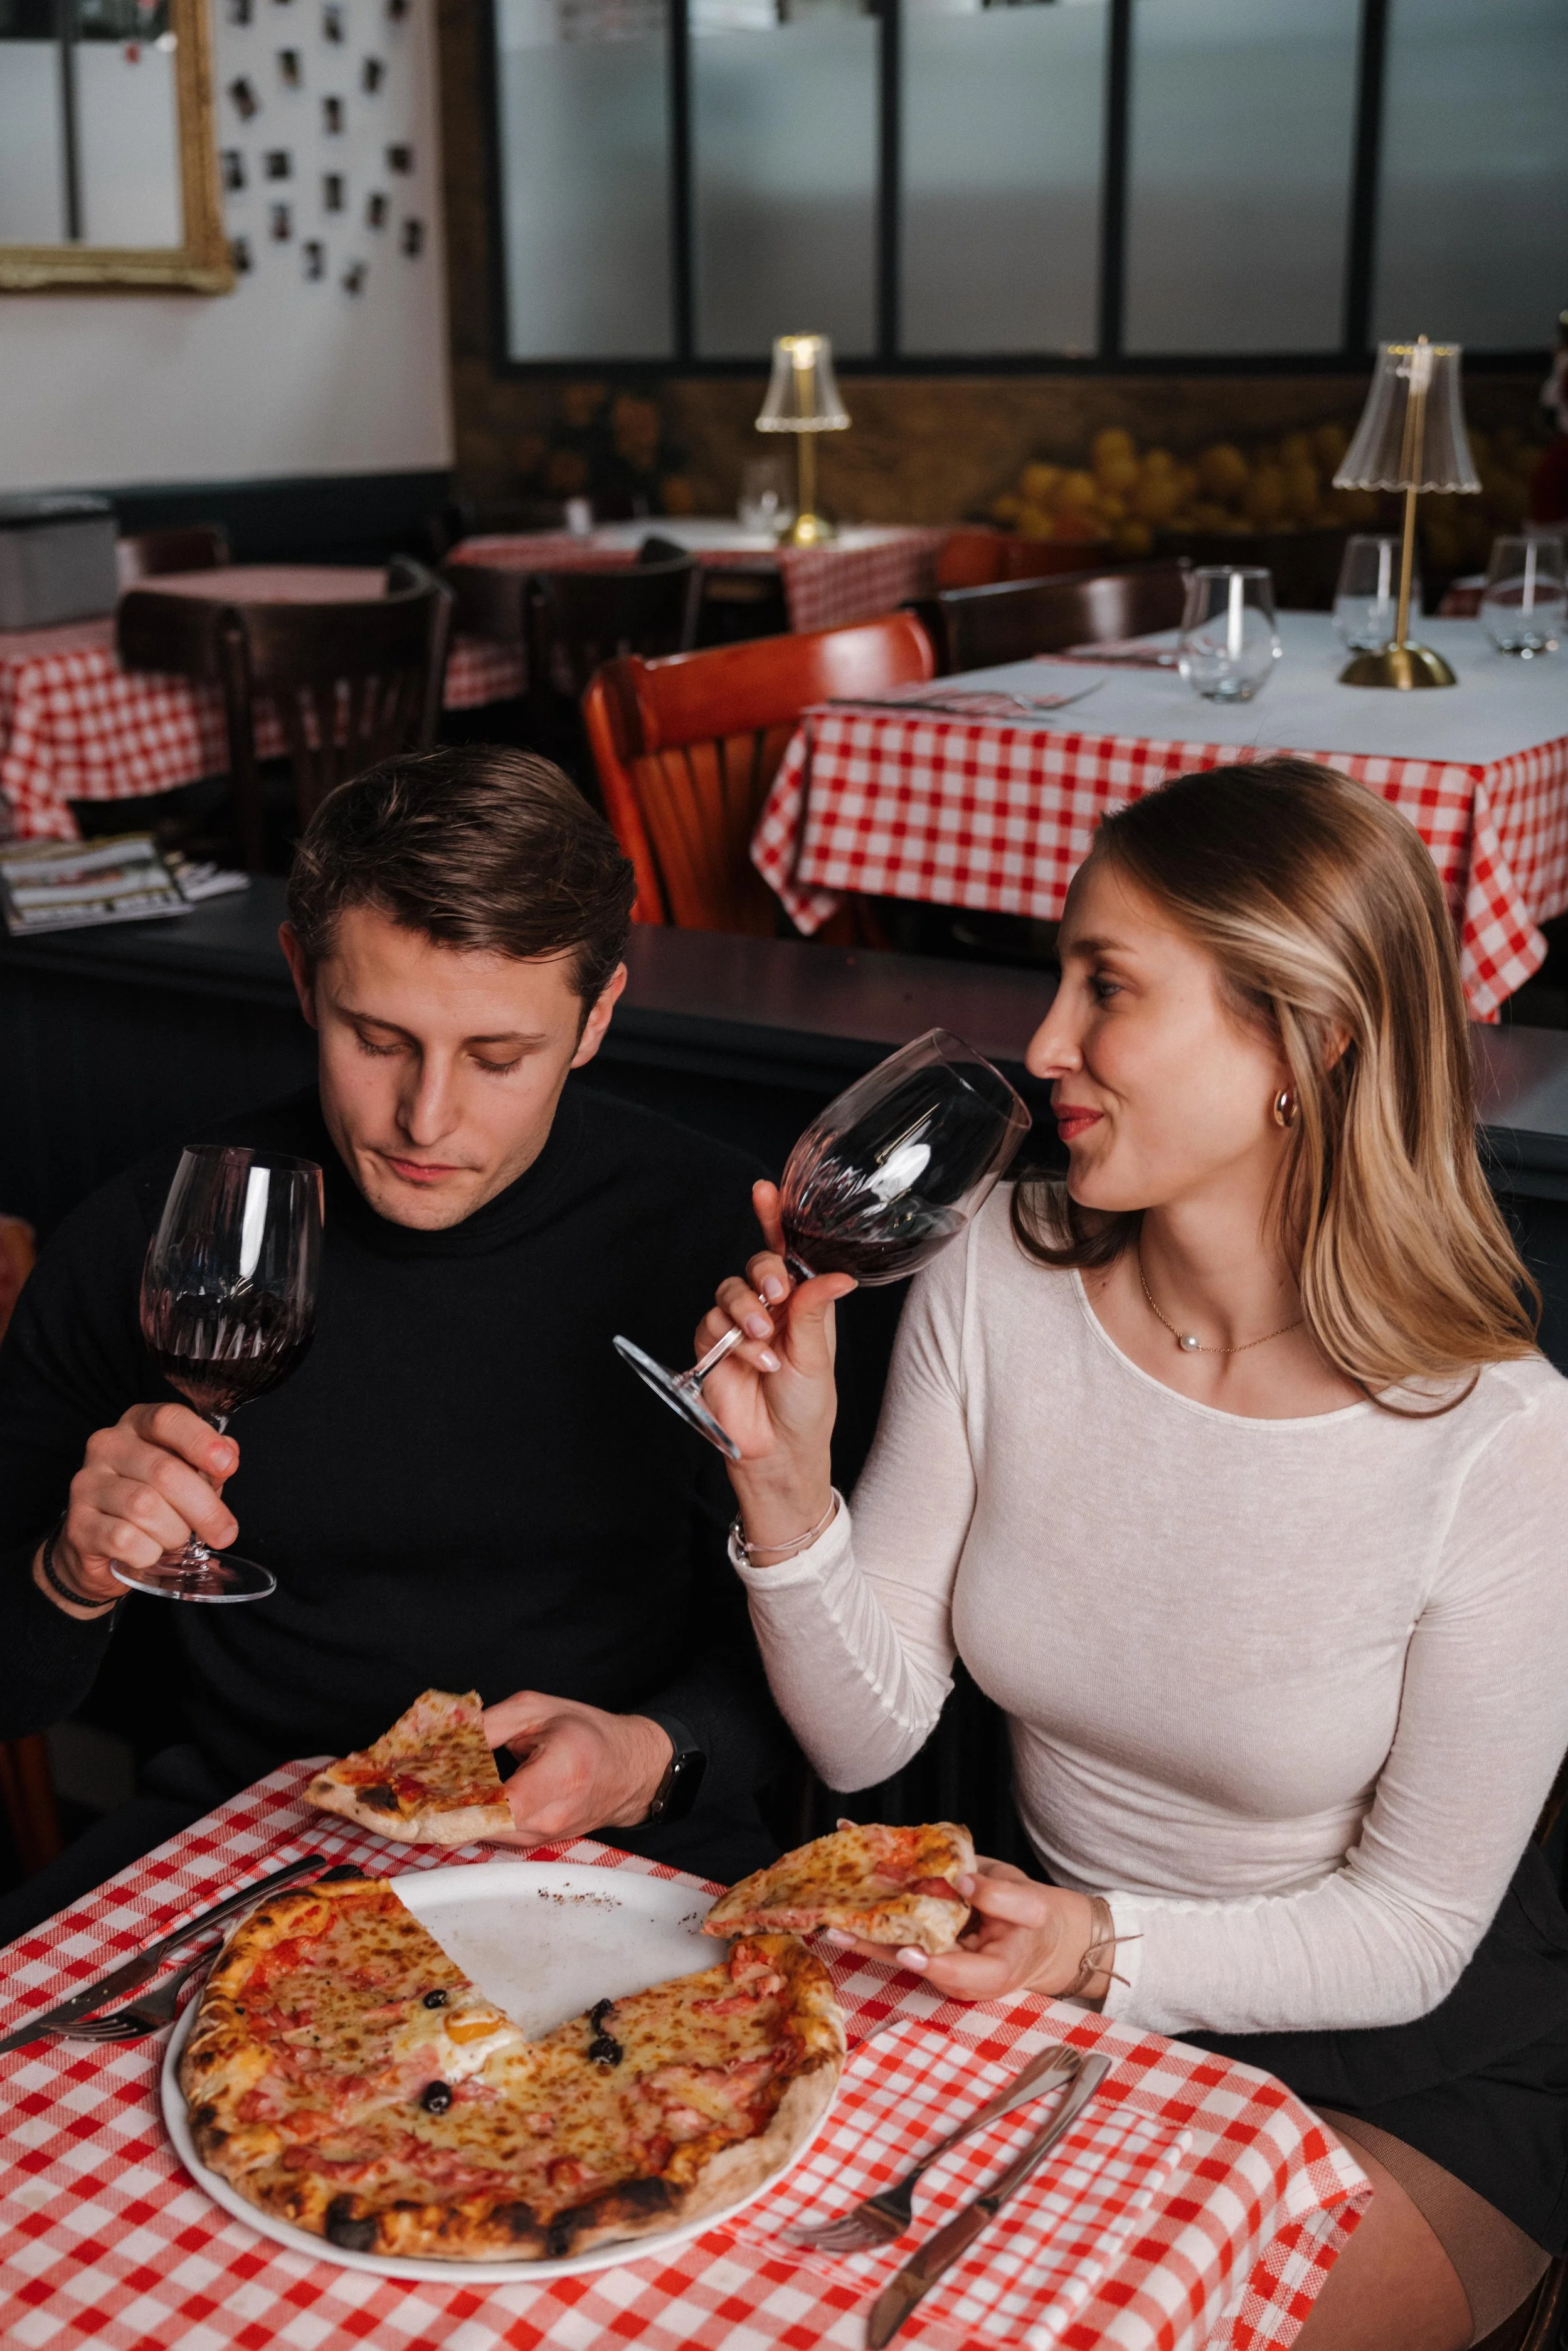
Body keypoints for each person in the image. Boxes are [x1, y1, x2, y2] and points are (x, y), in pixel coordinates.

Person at [697, 759, 1568, 2351]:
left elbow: (1414, 1929)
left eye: (1106, 986)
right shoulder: (992, 1272)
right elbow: (866, 1728)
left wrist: (1103, 1946)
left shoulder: (1502, 1439)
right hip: (1028, 1984)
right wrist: (782, 1482)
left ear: (1304, 1036)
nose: (1041, 1045)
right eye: (1057, 976)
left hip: (1387, 2055)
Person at [0, 746, 788, 1939]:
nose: (426, 1120)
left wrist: (652, 1757)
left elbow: (833, 1690)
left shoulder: (716, 1249)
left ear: (597, 1018)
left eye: (498, 1058)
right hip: (245, 1847)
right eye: (377, 1039)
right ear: (303, 982)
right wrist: (70, 1570)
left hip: (621, 1857)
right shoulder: (160, 1235)